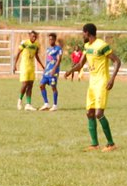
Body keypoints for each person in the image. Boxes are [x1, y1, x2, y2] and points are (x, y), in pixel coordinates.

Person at [64, 23, 121, 151]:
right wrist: (70, 71)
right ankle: (95, 144)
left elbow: (117, 61)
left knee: (99, 113)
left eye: (83, 33)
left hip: (102, 82)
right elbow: (80, 64)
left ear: (88, 33)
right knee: (89, 113)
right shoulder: (86, 46)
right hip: (92, 84)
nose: (82, 35)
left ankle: (111, 144)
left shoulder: (102, 46)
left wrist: (112, 79)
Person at [13, 30, 44, 110]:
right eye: (33, 36)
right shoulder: (25, 43)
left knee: (30, 85)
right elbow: (18, 53)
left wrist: (42, 66)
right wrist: (14, 65)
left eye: (35, 36)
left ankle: (28, 104)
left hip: (31, 66)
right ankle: (19, 100)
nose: (34, 38)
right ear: (29, 36)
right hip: (24, 66)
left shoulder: (37, 44)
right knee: (25, 84)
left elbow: (36, 55)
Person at [38, 32, 63, 111]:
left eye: (52, 39)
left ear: (55, 40)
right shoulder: (48, 49)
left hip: (53, 72)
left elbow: (59, 60)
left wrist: (54, 69)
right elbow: (48, 60)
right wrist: (45, 69)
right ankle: (46, 103)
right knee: (41, 85)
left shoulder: (58, 49)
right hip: (47, 71)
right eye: (49, 39)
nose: (50, 41)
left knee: (53, 87)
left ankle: (55, 105)